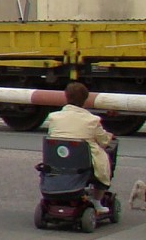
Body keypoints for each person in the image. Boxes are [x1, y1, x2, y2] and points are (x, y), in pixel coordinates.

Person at [46, 81, 114, 214]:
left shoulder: (54, 117)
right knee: (104, 161)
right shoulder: (92, 120)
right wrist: (109, 136)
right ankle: (97, 201)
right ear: (85, 99)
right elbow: (104, 141)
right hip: (83, 163)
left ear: (66, 96)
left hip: (59, 159)